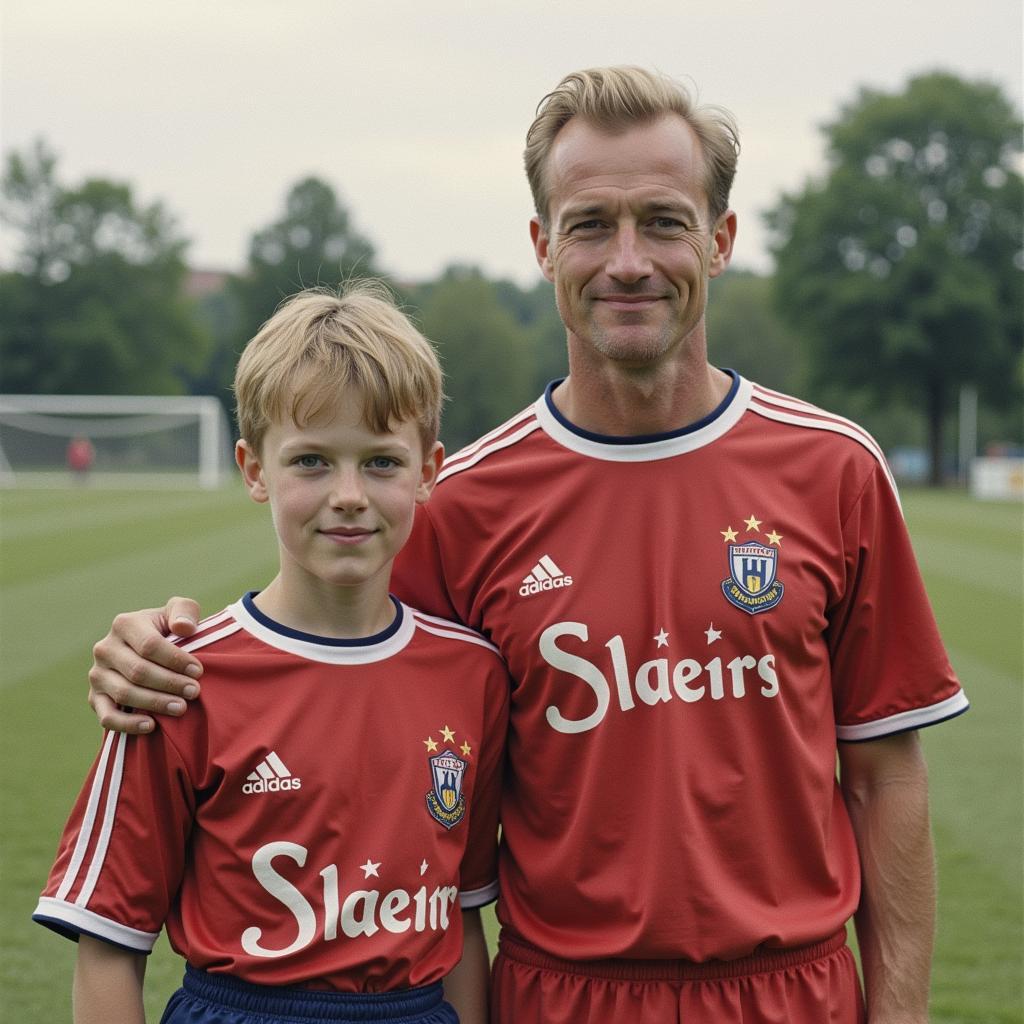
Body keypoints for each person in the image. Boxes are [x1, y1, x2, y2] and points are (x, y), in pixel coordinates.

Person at [86, 67, 968, 1024]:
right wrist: (163, 645)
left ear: (720, 241)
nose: (627, 259)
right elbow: (328, 661)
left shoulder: (834, 470)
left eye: (664, 222)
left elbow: (885, 776)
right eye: (591, 224)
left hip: (793, 992)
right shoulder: (460, 505)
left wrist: (902, 1013)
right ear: (545, 246)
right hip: (561, 998)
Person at [36, 282, 508, 1024]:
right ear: (255, 470)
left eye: (382, 462)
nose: (349, 493)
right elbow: (107, 944)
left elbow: (461, 921)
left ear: (429, 470)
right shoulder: (178, 676)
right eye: (312, 461)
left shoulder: (472, 675)